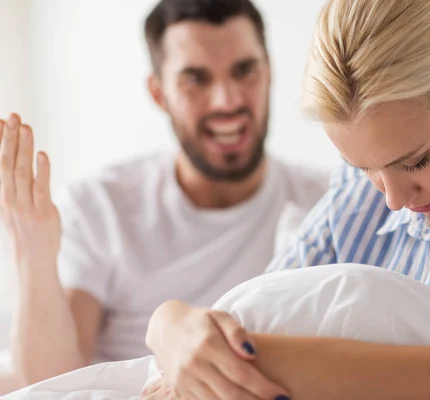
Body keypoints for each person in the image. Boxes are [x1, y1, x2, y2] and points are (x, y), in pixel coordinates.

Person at [142, 0, 430, 399]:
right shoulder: (354, 196)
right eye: (365, 166)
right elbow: (263, 304)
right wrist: (170, 324)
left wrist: (252, 361)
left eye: (416, 161)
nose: (394, 200)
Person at [0, 0, 328, 393]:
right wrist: (32, 254)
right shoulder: (101, 207)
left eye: (245, 71)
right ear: (159, 93)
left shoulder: (327, 202)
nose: (227, 100)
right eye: (196, 79)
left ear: (270, 71)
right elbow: (50, 387)